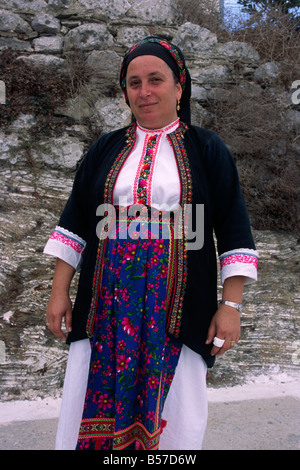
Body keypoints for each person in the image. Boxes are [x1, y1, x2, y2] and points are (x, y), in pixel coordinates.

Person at [44, 36, 258, 450]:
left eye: (155, 80)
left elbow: (233, 229)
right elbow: (75, 225)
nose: (144, 91)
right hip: (105, 306)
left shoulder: (207, 149)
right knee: (91, 397)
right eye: (134, 82)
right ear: (124, 90)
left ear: (179, 87)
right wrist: (59, 293)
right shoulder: (104, 148)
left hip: (178, 307)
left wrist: (230, 307)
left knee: (176, 412)